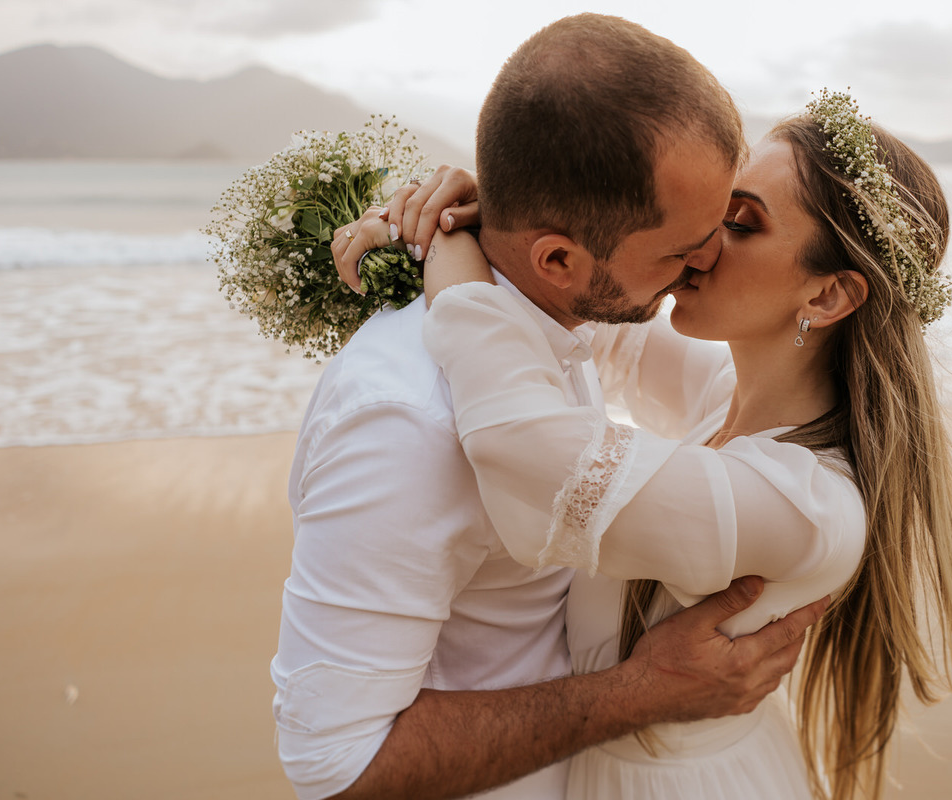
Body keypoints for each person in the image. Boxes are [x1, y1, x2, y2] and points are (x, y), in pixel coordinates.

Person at [343, 91, 952, 798]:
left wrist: (447, 249)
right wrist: (520, 218)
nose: (699, 243)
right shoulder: (729, 396)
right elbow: (605, 320)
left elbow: (529, 449)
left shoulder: (805, 506)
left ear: (827, 295)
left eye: (740, 223)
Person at [272, 14, 829, 800]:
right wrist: (644, 694)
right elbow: (337, 766)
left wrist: (461, 222)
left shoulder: (564, 323)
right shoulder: (405, 424)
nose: (707, 261)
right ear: (559, 258)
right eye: (683, 247)